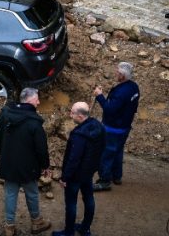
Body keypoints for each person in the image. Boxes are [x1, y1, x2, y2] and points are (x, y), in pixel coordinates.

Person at [0, 88, 52, 236]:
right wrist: (45, 165)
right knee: (32, 193)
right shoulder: (34, 122)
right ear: (30, 100)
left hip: (9, 163)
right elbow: (41, 148)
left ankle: (9, 227)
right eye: (37, 99)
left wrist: (2, 154)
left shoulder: (6, 115)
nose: (39, 102)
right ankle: (37, 222)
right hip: (29, 166)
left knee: (10, 194)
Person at [52, 102, 105, 236]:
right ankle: (85, 228)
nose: (70, 115)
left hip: (75, 175)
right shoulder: (99, 126)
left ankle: (69, 232)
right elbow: (101, 149)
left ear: (80, 116)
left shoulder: (79, 135)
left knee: (71, 203)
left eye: (72, 113)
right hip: (88, 172)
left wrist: (65, 177)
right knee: (89, 199)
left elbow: (73, 159)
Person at [93, 62, 140, 191]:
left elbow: (109, 109)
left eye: (117, 72)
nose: (115, 73)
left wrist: (99, 96)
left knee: (106, 153)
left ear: (123, 76)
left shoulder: (121, 92)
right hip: (125, 127)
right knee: (118, 151)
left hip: (113, 128)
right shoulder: (134, 87)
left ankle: (104, 181)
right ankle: (116, 176)